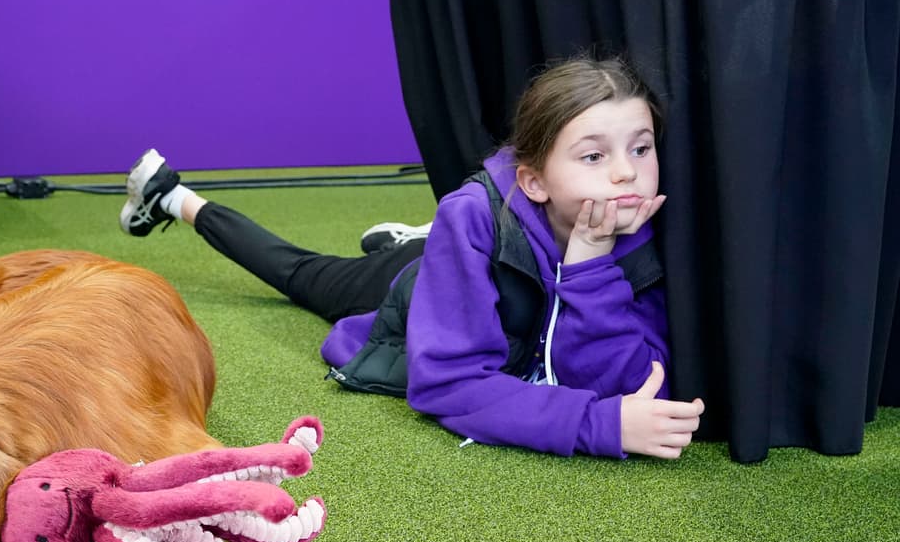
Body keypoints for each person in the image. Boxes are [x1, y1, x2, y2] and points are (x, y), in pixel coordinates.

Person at [117, 56, 705, 459]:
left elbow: (631, 382)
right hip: (414, 287)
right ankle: (173, 196)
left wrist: (589, 263)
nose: (627, 171)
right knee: (301, 273)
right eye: (594, 156)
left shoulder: (633, 218)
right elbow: (446, 385)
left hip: (472, 264)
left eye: (641, 147)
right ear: (534, 181)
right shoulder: (473, 216)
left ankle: (407, 237)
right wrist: (595, 425)